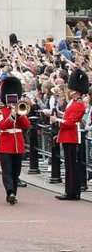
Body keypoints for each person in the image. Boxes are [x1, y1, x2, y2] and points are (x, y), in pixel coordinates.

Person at [51, 68, 88, 201]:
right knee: (69, 164)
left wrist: (57, 120)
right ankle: (71, 190)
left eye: (72, 90)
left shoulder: (79, 104)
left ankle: (73, 192)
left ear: (77, 91)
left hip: (72, 135)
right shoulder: (73, 102)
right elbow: (68, 117)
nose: (70, 92)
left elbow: (70, 122)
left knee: (72, 165)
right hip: (67, 135)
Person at [0, 76, 30, 205]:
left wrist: (19, 114)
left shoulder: (20, 109)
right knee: (7, 170)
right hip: (5, 144)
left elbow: (26, 125)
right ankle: (10, 192)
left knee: (16, 171)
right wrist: (12, 115)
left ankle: (13, 192)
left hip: (18, 144)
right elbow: (2, 125)